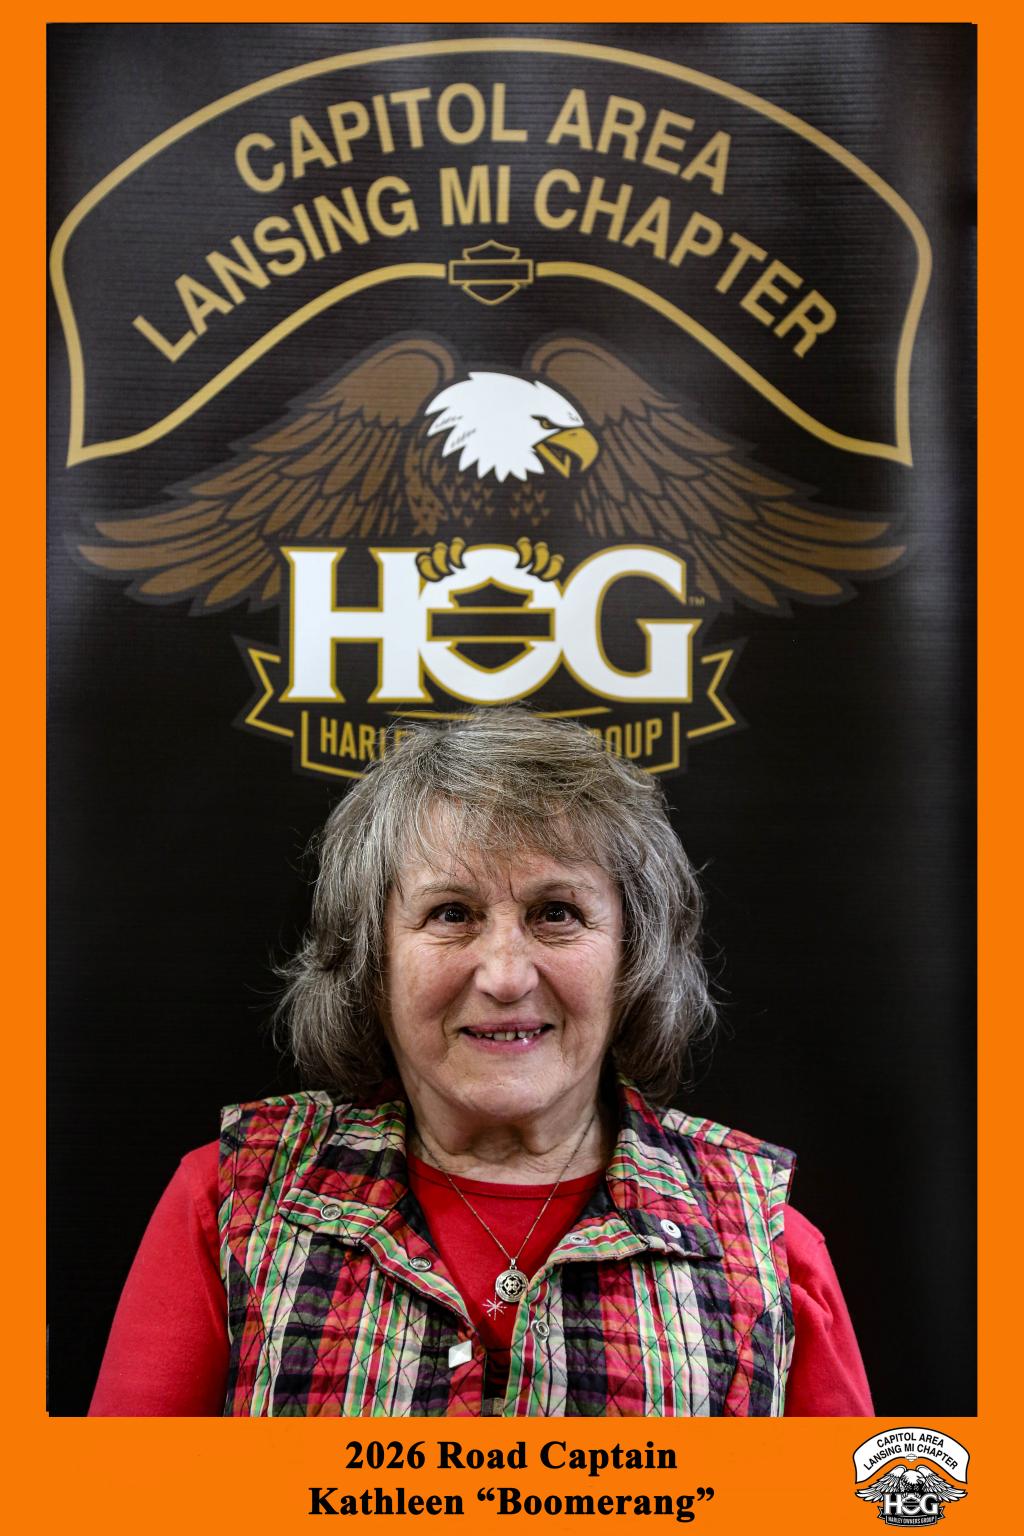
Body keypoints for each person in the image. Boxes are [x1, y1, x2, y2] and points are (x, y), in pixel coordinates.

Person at [90, 707, 871, 1417]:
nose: (505, 976)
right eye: (451, 913)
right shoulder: (232, 1202)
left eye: (556, 913)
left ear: (632, 955)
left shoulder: (766, 1244)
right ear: (371, 958)